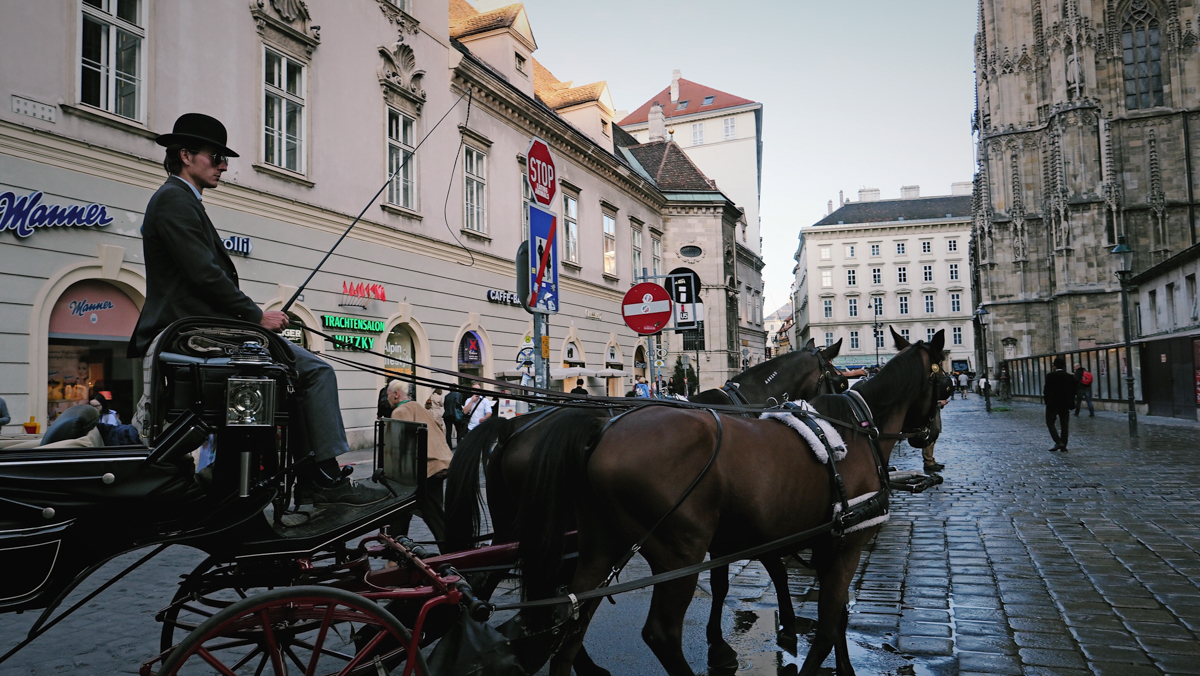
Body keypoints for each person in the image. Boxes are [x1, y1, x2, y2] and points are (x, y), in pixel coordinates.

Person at [128, 113, 384, 506]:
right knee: (316, 371)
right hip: (196, 332)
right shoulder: (173, 200)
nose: (224, 166)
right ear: (185, 155)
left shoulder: (180, 200)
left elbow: (206, 276)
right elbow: (204, 275)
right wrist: (255, 318)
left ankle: (299, 473)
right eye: (216, 157)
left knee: (298, 372)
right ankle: (323, 479)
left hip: (206, 328)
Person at [389, 399, 453, 543]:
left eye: (388, 394)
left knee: (432, 514)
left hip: (424, 469)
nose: (387, 398)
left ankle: (451, 550)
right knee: (403, 512)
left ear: (396, 394)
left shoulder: (400, 411)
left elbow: (399, 444)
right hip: (439, 464)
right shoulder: (419, 408)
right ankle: (394, 553)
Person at [1043, 356, 1077, 452]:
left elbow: (1046, 390)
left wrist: (1047, 401)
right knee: (1064, 424)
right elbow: (1073, 391)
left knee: (1050, 422)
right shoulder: (1069, 377)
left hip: (1052, 403)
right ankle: (1064, 445)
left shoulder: (1050, 376)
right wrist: (1071, 402)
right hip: (1065, 404)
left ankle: (1058, 441)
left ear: (1055, 366)